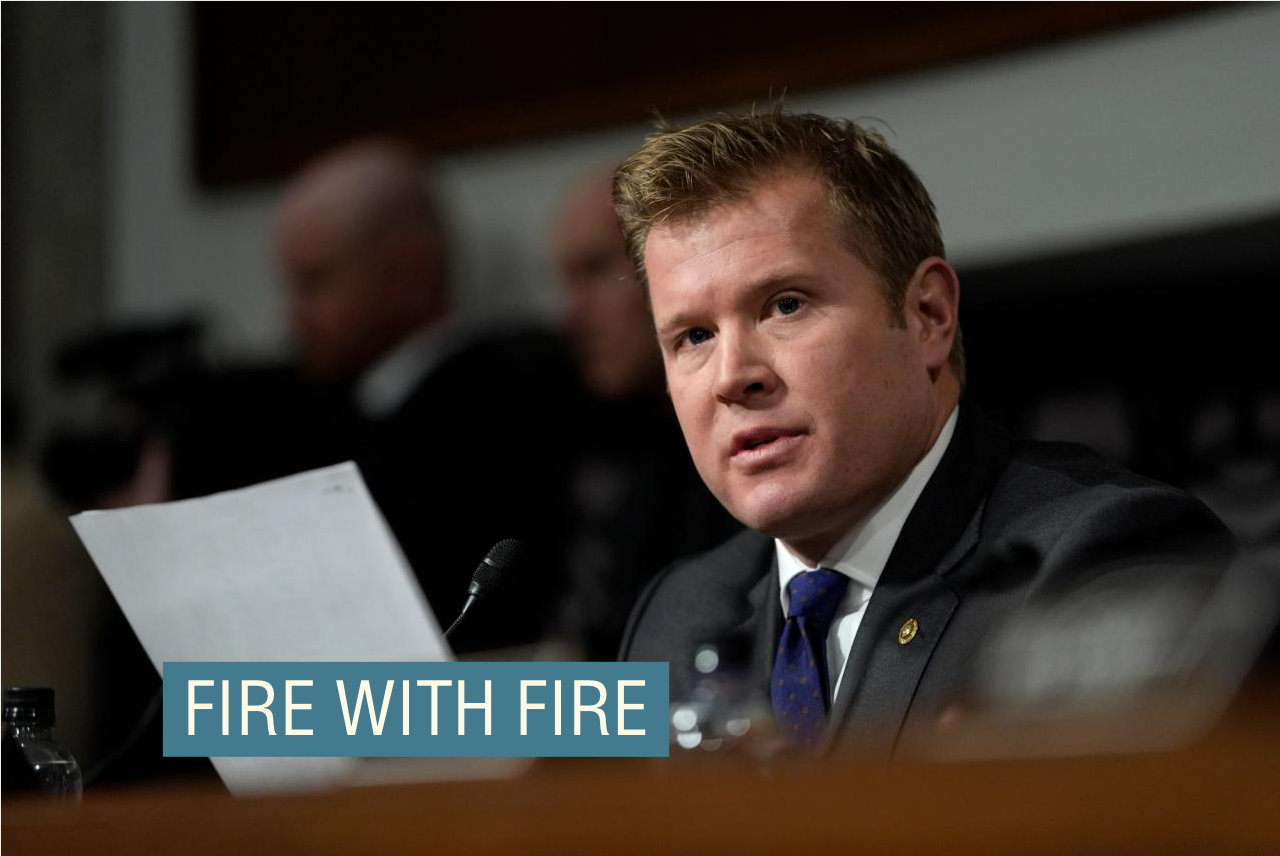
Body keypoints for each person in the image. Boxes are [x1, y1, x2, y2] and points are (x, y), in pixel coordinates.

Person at [614, 109, 1237, 754]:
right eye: (694, 336)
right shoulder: (681, 611)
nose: (731, 376)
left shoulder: (1098, 559)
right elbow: (531, 755)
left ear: (927, 316)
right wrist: (505, 715)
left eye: (785, 305)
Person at [276, 139, 579, 651]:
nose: (294, 315)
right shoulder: (330, 406)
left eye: (314, 281)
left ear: (405, 270)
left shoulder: (504, 403)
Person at [552, 167, 739, 660]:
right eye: (566, 280)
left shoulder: (749, 440)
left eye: (594, 271)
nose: (570, 315)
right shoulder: (591, 431)